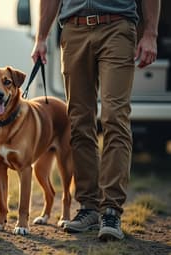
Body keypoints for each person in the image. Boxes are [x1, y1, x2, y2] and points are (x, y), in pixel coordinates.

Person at [31, 0, 160, 241]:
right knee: (79, 123)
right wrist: (41, 37)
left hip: (118, 28)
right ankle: (88, 207)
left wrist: (150, 33)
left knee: (115, 118)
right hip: (74, 30)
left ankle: (111, 210)